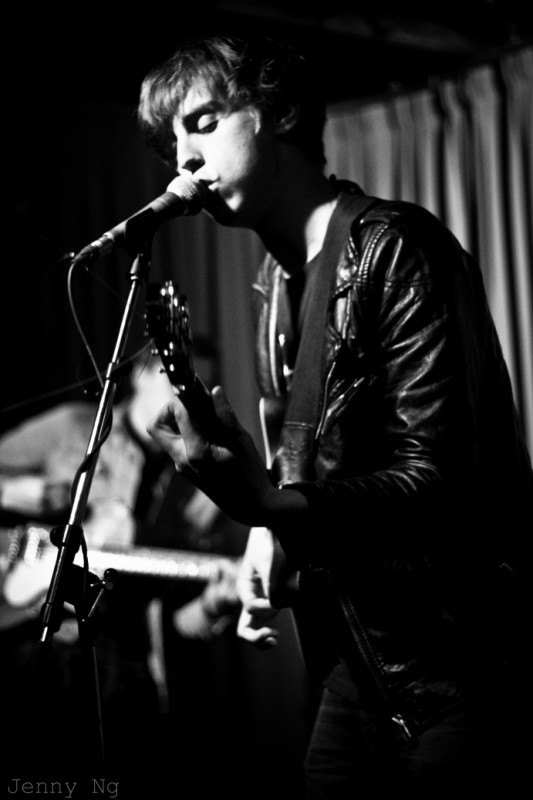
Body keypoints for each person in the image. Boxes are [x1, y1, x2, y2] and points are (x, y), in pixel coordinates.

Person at [137, 33, 533, 799]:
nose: (183, 158)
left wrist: (269, 506)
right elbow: (304, 460)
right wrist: (265, 536)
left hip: (456, 675)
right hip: (354, 669)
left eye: (204, 122)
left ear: (278, 111)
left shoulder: (394, 248)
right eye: (171, 143)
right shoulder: (273, 286)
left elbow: (439, 482)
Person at [0, 348, 243, 796]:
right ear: (141, 376)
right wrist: (37, 499)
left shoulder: (199, 488)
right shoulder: (75, 428)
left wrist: (215, 604)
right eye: (178, 382)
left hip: (122, 672)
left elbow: (178, 622)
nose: (187, 399)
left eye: (198, 392)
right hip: (31, 642)